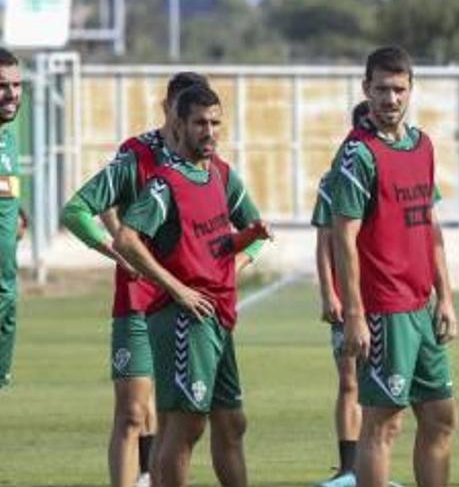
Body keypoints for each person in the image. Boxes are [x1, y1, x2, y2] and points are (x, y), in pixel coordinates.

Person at [61, 72, 267, 487]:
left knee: (224, 420)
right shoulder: (140, 160)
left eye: (213, 121)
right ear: (171, 113)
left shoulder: (217, 172)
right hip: (150, 301)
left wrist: (235, 263)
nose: (205, 128)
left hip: (208, 310)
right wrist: (118, 255)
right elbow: (85, 213)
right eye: (193, 117)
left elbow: (254, 230)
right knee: (140, 412)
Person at [328, 46, 458, 487]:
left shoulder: (422, 146)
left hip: (422, 306)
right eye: (381, 89)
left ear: (411, 90)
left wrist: (446, 298)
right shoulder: (356, 155)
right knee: (383, 425)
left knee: (441, 416)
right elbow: (342, 237)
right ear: (366, 89)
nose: (390, 99)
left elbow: (430, 225)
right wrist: (354, 313)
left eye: (399, 89)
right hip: (383, 310)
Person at [309, 101, 370, 487]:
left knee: (385, 387)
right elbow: (325, 242)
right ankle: (348, 468)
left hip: (389, 295)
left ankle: (372, 466)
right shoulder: (334, 179)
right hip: (349, 297)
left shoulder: (395, 166)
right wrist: (329, 293)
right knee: (349, 379)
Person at [0, 48, 26, 391]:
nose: (12, 94)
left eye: (18, 85)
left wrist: (18, 213)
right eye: (2, 85)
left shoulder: (8, 136)